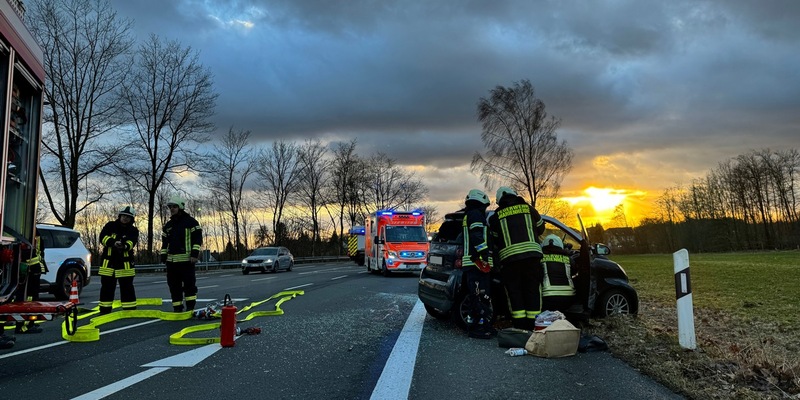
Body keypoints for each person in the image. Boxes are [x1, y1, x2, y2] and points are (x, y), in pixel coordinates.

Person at [487, 186, 545, 330]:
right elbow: (541, 228)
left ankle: (520, 328)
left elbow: (494, 239)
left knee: (515, 292)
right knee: (532, 291)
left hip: (510, 261)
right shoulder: (528, 209)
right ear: (515, 195)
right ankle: (534, 327)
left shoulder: (496, 216)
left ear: (500, 201)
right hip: (532, 258)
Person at [461, 189, 494, 339]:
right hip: (477, 263)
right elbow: (476, 235)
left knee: (477, 296)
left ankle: (479, 325)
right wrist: (485, 252)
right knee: (481, 296)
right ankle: (479, 328)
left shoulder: (469, 214)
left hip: (473, 263)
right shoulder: (475, 214)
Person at [161, 196, 202, 313]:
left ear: (180, 207)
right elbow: (164, 242)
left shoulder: (191, 222)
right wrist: (163, 255)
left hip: (186, 261)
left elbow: (197, 239)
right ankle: (177, 308)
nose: (172, 209)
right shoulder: (168, 225)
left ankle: (190, 307)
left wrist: (194, 254)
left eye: (174, 206)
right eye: (170, 207)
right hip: (172, 262)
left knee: (189, 286)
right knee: (174, 287)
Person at [98, 206, 140, 314]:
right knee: (107, 287)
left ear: (132, 219)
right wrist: (113, 243)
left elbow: (132, 242)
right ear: (120, 216)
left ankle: (129, 309)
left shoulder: (133, 230)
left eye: (128, 217)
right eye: (124, 216)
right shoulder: (110, 226)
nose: (125, 218)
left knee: (127, 287)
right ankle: (105, 309)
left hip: (124, 264)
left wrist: (124, 246)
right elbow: (102, 237)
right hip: (108, 263)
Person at [15, 228, 46, 334]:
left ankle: (26, 323)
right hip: (30, 269)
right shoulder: (30, 231)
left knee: (25, 297)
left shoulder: (29, 230)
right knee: (29, 298)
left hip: (31, 268)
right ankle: (25, 325)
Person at [541, 234, 577, 313]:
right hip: (568, 298)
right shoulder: (568, 258)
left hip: (547, 298)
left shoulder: (540, 258)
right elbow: (574, 272)